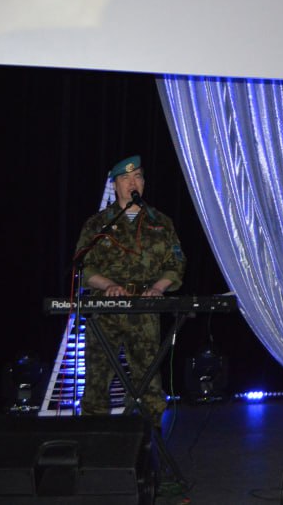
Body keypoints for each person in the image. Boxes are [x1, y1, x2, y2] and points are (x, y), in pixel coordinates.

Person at [73, 155, 186, 422]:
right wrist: (108, 285)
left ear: (143, 183)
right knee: (97, 379)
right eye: (125, 178)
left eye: (137, 177)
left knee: (147, 380)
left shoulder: (161, 222)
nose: (132, 183)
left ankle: (148, 445)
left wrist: (158, 288)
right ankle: (94, 442)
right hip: (105, 311)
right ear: (115, 185)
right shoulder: (97, 224)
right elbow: (84, 267)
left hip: (145, 308)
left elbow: (176, 262)